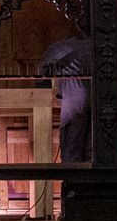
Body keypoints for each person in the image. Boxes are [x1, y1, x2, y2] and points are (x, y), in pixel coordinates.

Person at [39, 35, 93, 163]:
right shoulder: (97, 46)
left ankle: (73, 181)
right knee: (93, 151)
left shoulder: (56, 48)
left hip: (74, 102)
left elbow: (41, 81)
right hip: (101, 101)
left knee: (71, 148)